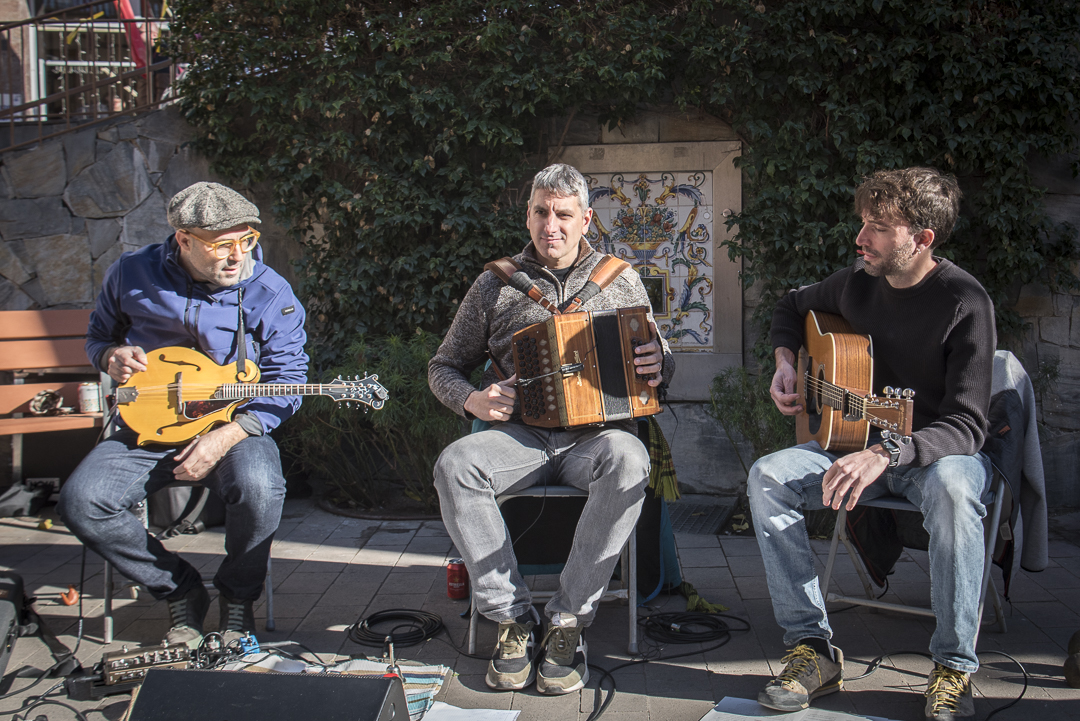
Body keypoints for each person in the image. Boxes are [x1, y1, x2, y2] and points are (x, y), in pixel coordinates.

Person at [747, 167, 995, 721]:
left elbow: (967, 424)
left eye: (879, 228)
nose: (861, 239)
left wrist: (886, 453)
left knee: (955, 491)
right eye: (863, 223)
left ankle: (954, 666)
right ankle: (812, 648)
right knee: (767, 475)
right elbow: (790, 307)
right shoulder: (855, 283)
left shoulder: (964, 301)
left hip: (936, 457)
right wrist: (785, 363)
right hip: (850, 441)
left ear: (922, 239)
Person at [429, 163, 674, 695]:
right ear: (528, 215)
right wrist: (472, 399)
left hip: (595, 439)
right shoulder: (495, 285)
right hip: (521, 437)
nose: (551, 225)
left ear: (585, 219)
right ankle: (512, 617)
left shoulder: (620, 278)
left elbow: (658, 360)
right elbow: (442, 366)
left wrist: (662, 363)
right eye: (541, 212)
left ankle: (567, 621)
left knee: (630, 457)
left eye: (563, 214)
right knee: (455, 464)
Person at [58, 182, 308, 649]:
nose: (237, 256)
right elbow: (99, 338)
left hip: (232, 428)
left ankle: (237, 600)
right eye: (221, 245)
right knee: (81, 502)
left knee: (261, 487)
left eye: (246, 240)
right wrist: (110, 356)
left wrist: (229, 435)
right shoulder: (131, 273)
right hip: (146, 428)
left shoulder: (270, 291)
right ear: (184, 240)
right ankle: (180, 589)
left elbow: (289, 379)